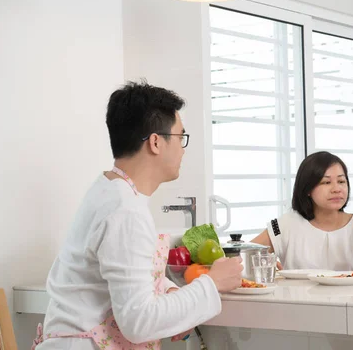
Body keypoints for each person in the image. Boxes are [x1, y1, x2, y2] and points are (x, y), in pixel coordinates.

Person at [33, 81, 243, 350]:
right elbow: (139, 322)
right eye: (181, 137)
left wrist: (170, 291)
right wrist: (211, 283)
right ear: (156, 142)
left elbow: (127, 278)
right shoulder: (125, 210)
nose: (183, 149)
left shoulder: (111, 191)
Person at [252, 151, 353, 271]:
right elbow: (245, 254)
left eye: (341, 181)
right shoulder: (285, 225)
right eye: (326, 182)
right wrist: (265, 264)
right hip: (295, 290)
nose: (337, 189)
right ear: (307, 188)